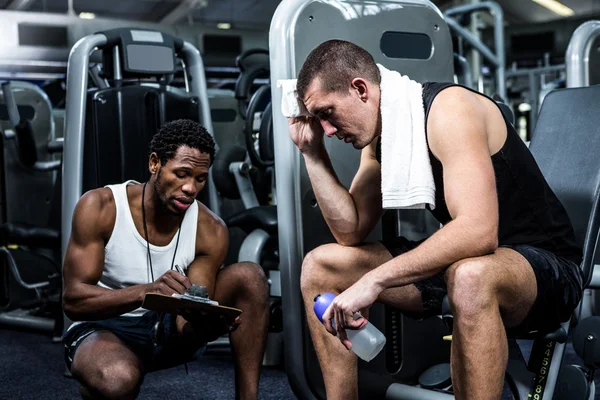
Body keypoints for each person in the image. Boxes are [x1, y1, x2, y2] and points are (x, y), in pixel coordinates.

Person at [289, 39, 583, 399]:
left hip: (545, 268)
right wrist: (312, 153)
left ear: (360, 89)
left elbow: (478, 232)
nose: (328, 130)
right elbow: (350, 230)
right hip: (462, 266)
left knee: (471, 275)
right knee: (322, 265)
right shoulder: (384, 137)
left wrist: (375, 281)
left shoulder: (449, 109)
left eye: (327, 113)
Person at [62, 119, 270, 400]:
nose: (190, 188)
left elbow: (188, 322)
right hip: (104, 327)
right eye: (182, 174)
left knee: (250, 277)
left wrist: (204, 323)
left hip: (168, 325)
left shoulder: (211, 229)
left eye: (200, 178)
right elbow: (73, 300)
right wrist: (144, 293)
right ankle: (102, 380)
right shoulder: (101, 207)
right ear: (154, 163)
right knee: (117, 380)